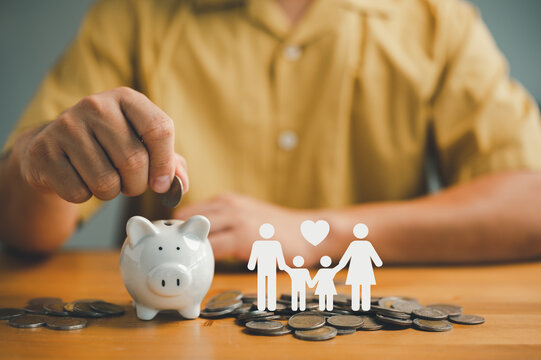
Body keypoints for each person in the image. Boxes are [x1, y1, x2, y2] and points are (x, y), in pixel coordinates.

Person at [1, 0, 541, 265]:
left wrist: (319, 234)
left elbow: (530, 203)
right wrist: (37, 158)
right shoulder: (138, 12)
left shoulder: (435, 17)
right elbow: (17, 225)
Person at [336, 224, 383, 311]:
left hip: (357, 268)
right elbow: (374, 256)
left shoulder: (354, 244)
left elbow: (346, 257)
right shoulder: (366, 244)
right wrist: (378, 262)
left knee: (356, 286)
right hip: (364, 268)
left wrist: (340, 265)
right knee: (364, 286)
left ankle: (356, 305)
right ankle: (364, 305)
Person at [247, 223, 287, 311]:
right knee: (266, 285)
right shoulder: (259, 244)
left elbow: (279, 256)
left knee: (268, 285)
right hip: (264, 268)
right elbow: (254, 256)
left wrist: (281, 264)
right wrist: (251, 264)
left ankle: (269, 304)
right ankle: (265, 304)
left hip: (268, 268)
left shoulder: (273, 244)